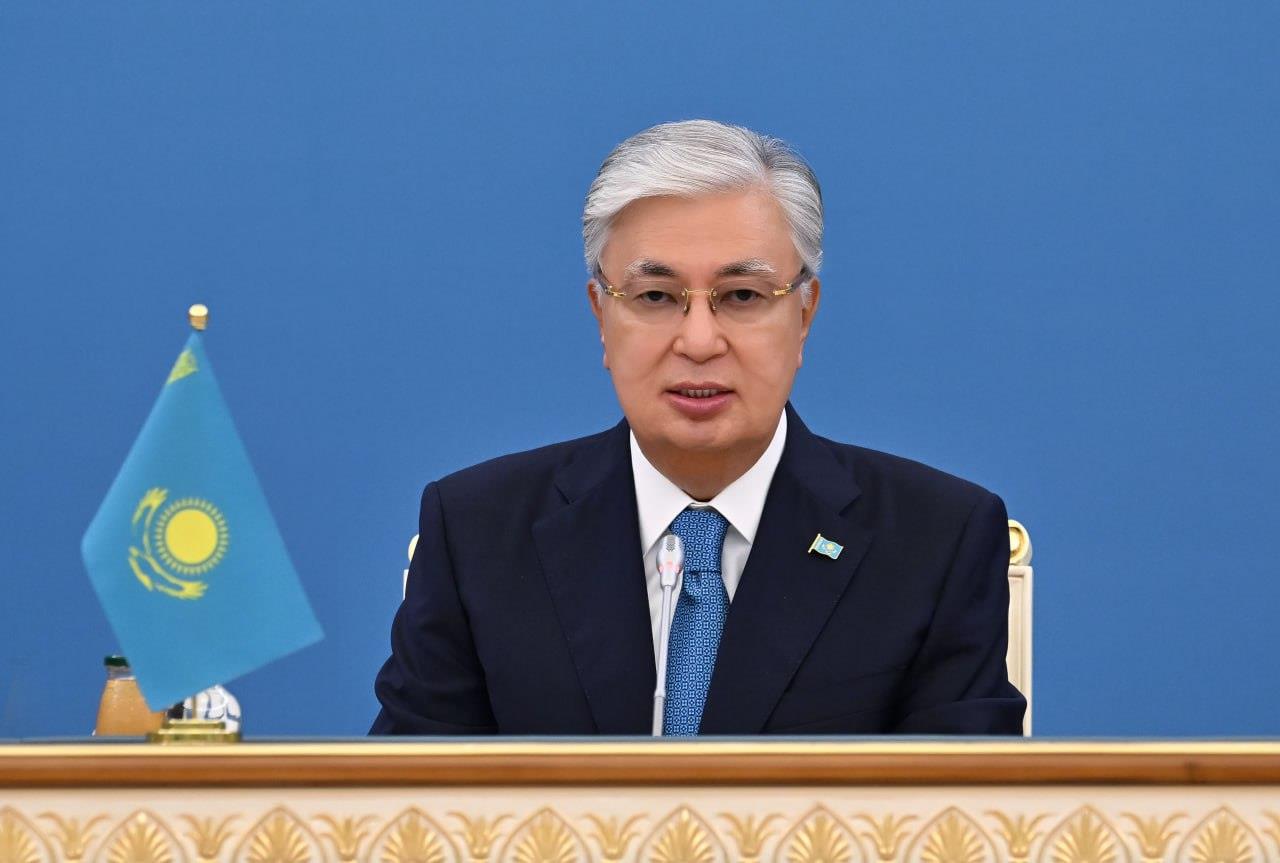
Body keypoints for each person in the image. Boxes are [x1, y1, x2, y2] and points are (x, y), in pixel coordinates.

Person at [371, 120, 1026, 735]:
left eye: (742, 296)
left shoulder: (935, 542)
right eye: (656, 297)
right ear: (601, 315)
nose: (700, 341)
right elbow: (401, 804)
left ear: (804, 316)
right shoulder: (478, 534)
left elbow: (963, 808)